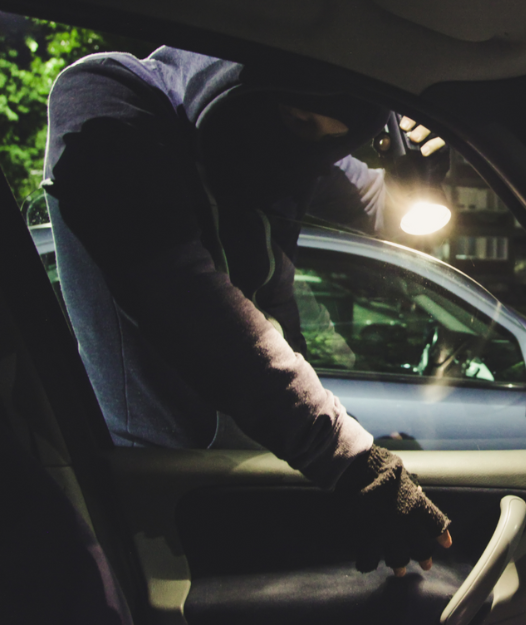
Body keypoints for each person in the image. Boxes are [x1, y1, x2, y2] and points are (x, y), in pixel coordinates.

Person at [42, 46, 451, 576]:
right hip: (161, 484)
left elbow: (388, 214)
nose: (311, 149)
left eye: (333, 138)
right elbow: (180, 296)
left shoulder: (301, 156)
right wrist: (353, 461)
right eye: (300, 120)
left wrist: (416, 176)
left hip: (262, 455)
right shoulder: (107, 97)